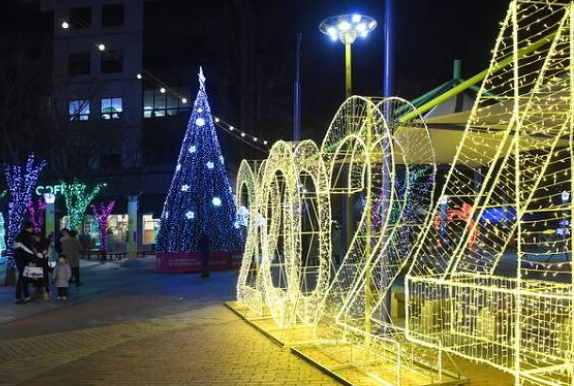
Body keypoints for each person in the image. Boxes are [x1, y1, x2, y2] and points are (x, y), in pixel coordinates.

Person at [13, 221, 35, 304]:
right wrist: (33, 258)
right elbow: (28, 250)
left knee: (24, 277)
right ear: (28, 227)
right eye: (31, 227)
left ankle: (26, 296)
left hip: (19, 259)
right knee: (23, 278)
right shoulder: (25, 236)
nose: (32, 229)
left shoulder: (19, 235)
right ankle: (18, 297)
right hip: (23, 260)